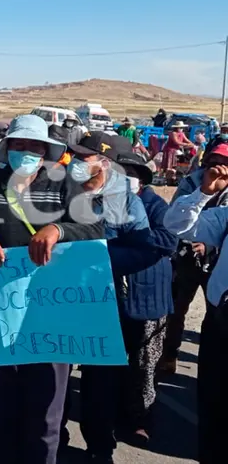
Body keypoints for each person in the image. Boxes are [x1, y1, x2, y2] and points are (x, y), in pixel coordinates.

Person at [0, 114, 104, 464]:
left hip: (51, 311)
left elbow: (95, 229)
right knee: (0, 407)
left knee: (45, 414)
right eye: (19, 144)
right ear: (7, 148)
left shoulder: (62, 183)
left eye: (34, 146)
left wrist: (58, 230)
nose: (26, 151)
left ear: (46, 151)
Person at [65, 132, 155, 463]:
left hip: (103, 301)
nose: (74, 163)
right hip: (56, 300)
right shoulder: (57, 193)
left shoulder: (126, 202)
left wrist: (101, 259)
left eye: (82, 158)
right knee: (55, 378)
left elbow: (144, 249)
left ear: (104, 163)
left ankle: (100, 447)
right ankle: (53, 440)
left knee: (100, 383)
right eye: (73, 156)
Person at [162, 163, 228, 464]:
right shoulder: (226, 216)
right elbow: (178, 224)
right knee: (213, 407)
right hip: (221, 321)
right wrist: (203, 193)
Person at [112, 152, 177, 447]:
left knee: (145, 366)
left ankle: (140, 421)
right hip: (114, 295)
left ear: (141, 179)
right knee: (112, 362)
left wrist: (130, 238)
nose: (125, 178)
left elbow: (168, 241)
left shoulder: (156, 205)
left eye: (131, 173)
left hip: (149, 297)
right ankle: (113, 414)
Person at [159, 141, 228, 374]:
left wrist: (208, 245)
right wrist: (205, 192)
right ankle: (170, 354)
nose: (219, 166)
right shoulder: (192, 182)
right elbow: (175, 221)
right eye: (215, 160)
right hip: (186, 255)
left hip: (215, 261)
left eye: (225, 162)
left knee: (214, 310)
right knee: (177, 308)